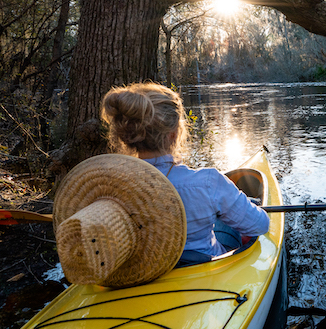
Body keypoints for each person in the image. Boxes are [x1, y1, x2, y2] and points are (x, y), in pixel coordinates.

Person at [100, 82, 269, 263]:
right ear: (173, 134)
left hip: (147, 271)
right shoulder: (209, 183)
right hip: (206, 267)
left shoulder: (113, 190)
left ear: (127, 137)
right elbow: (260, 225)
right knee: (228, 221)